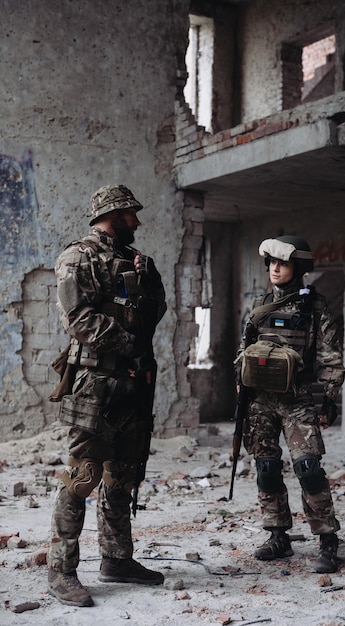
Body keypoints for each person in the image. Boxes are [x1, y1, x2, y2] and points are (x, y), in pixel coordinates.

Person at [47, 184, 167, 607]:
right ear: (113, 214)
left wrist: (145, 280)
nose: (137, 221)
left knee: (123, 475)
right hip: (97, 383)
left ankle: (117, 559)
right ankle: (61, 570)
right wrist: (130, 346)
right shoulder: (77, 258)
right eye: (131, 214)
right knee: (83, 477)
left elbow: (156, 312)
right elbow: (80, 321)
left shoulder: (136, 261)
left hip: (135, 383)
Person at [235, 235, 345, 573]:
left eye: (282, 263)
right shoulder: (257, 306)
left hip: (297, 401)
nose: (275, 269)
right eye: (271, 262)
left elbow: (330, 358)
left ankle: (327, 540)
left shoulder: (315, 309)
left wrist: (327, 398)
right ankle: (278, 534)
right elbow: (242, 353)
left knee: (308, 469)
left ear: (299, 268)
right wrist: (241, 388)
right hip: (261, 403)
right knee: (266, 469)